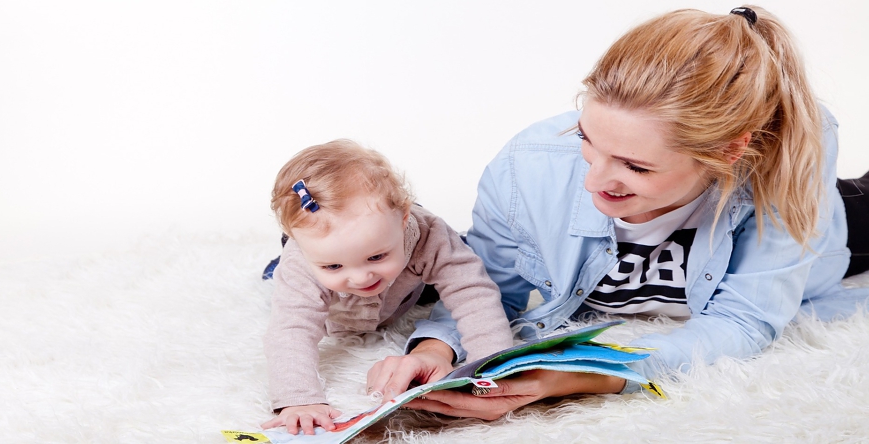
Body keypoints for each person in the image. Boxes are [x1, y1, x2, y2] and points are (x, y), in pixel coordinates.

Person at [366, 6, 869, 421]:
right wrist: (436, 348)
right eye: (588, 139)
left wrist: (590, 374)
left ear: (731, 153)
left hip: (837, 223)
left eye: (634, 166)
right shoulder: (528, 168)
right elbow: (486, 285)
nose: (592, 182)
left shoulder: (786, 160)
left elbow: (747, 319)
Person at [260, 139, 514, 434]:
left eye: (376, 256)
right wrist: (298, 399)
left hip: (404, 289)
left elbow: (472, 293)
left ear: (404, 218)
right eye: (333, 266)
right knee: (280, 282)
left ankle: (408, 258)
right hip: (333, 305)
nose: (361, 278)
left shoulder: (427, 233)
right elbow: (291, 329)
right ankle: (277, 267)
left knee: (463, 259)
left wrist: (492, 366)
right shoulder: (301, 262)